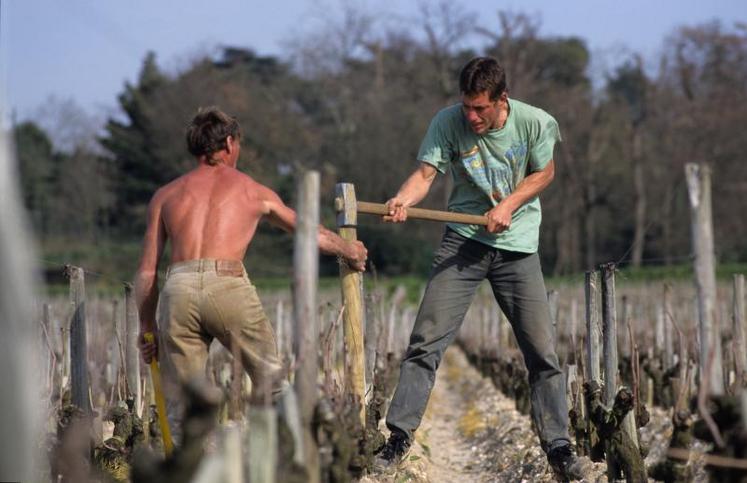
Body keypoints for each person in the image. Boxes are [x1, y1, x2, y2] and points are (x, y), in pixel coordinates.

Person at [374, 57, 584, 480]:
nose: (471, 117)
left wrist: (508, 205)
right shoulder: (448, 122)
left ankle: (559, 447)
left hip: (517, 248)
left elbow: (545, 172)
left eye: (480, 109)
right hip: (464, 243)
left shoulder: (535, 123)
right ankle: (397, 439)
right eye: (466, 107)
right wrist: (403, 199)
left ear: (501, 100)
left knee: (541, 352)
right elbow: (424, 174)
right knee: (424, 342)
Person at [135, 107, 367, 417]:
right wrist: (349, 249)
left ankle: (187, 463)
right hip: (227, 285)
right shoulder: (253, 191)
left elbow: (147, 272)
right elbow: (310, 233)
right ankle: (290, 456)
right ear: (229, 143)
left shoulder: (165, 196)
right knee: (271, 383)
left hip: (179, 288)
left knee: (181, 405)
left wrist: (147, 328)